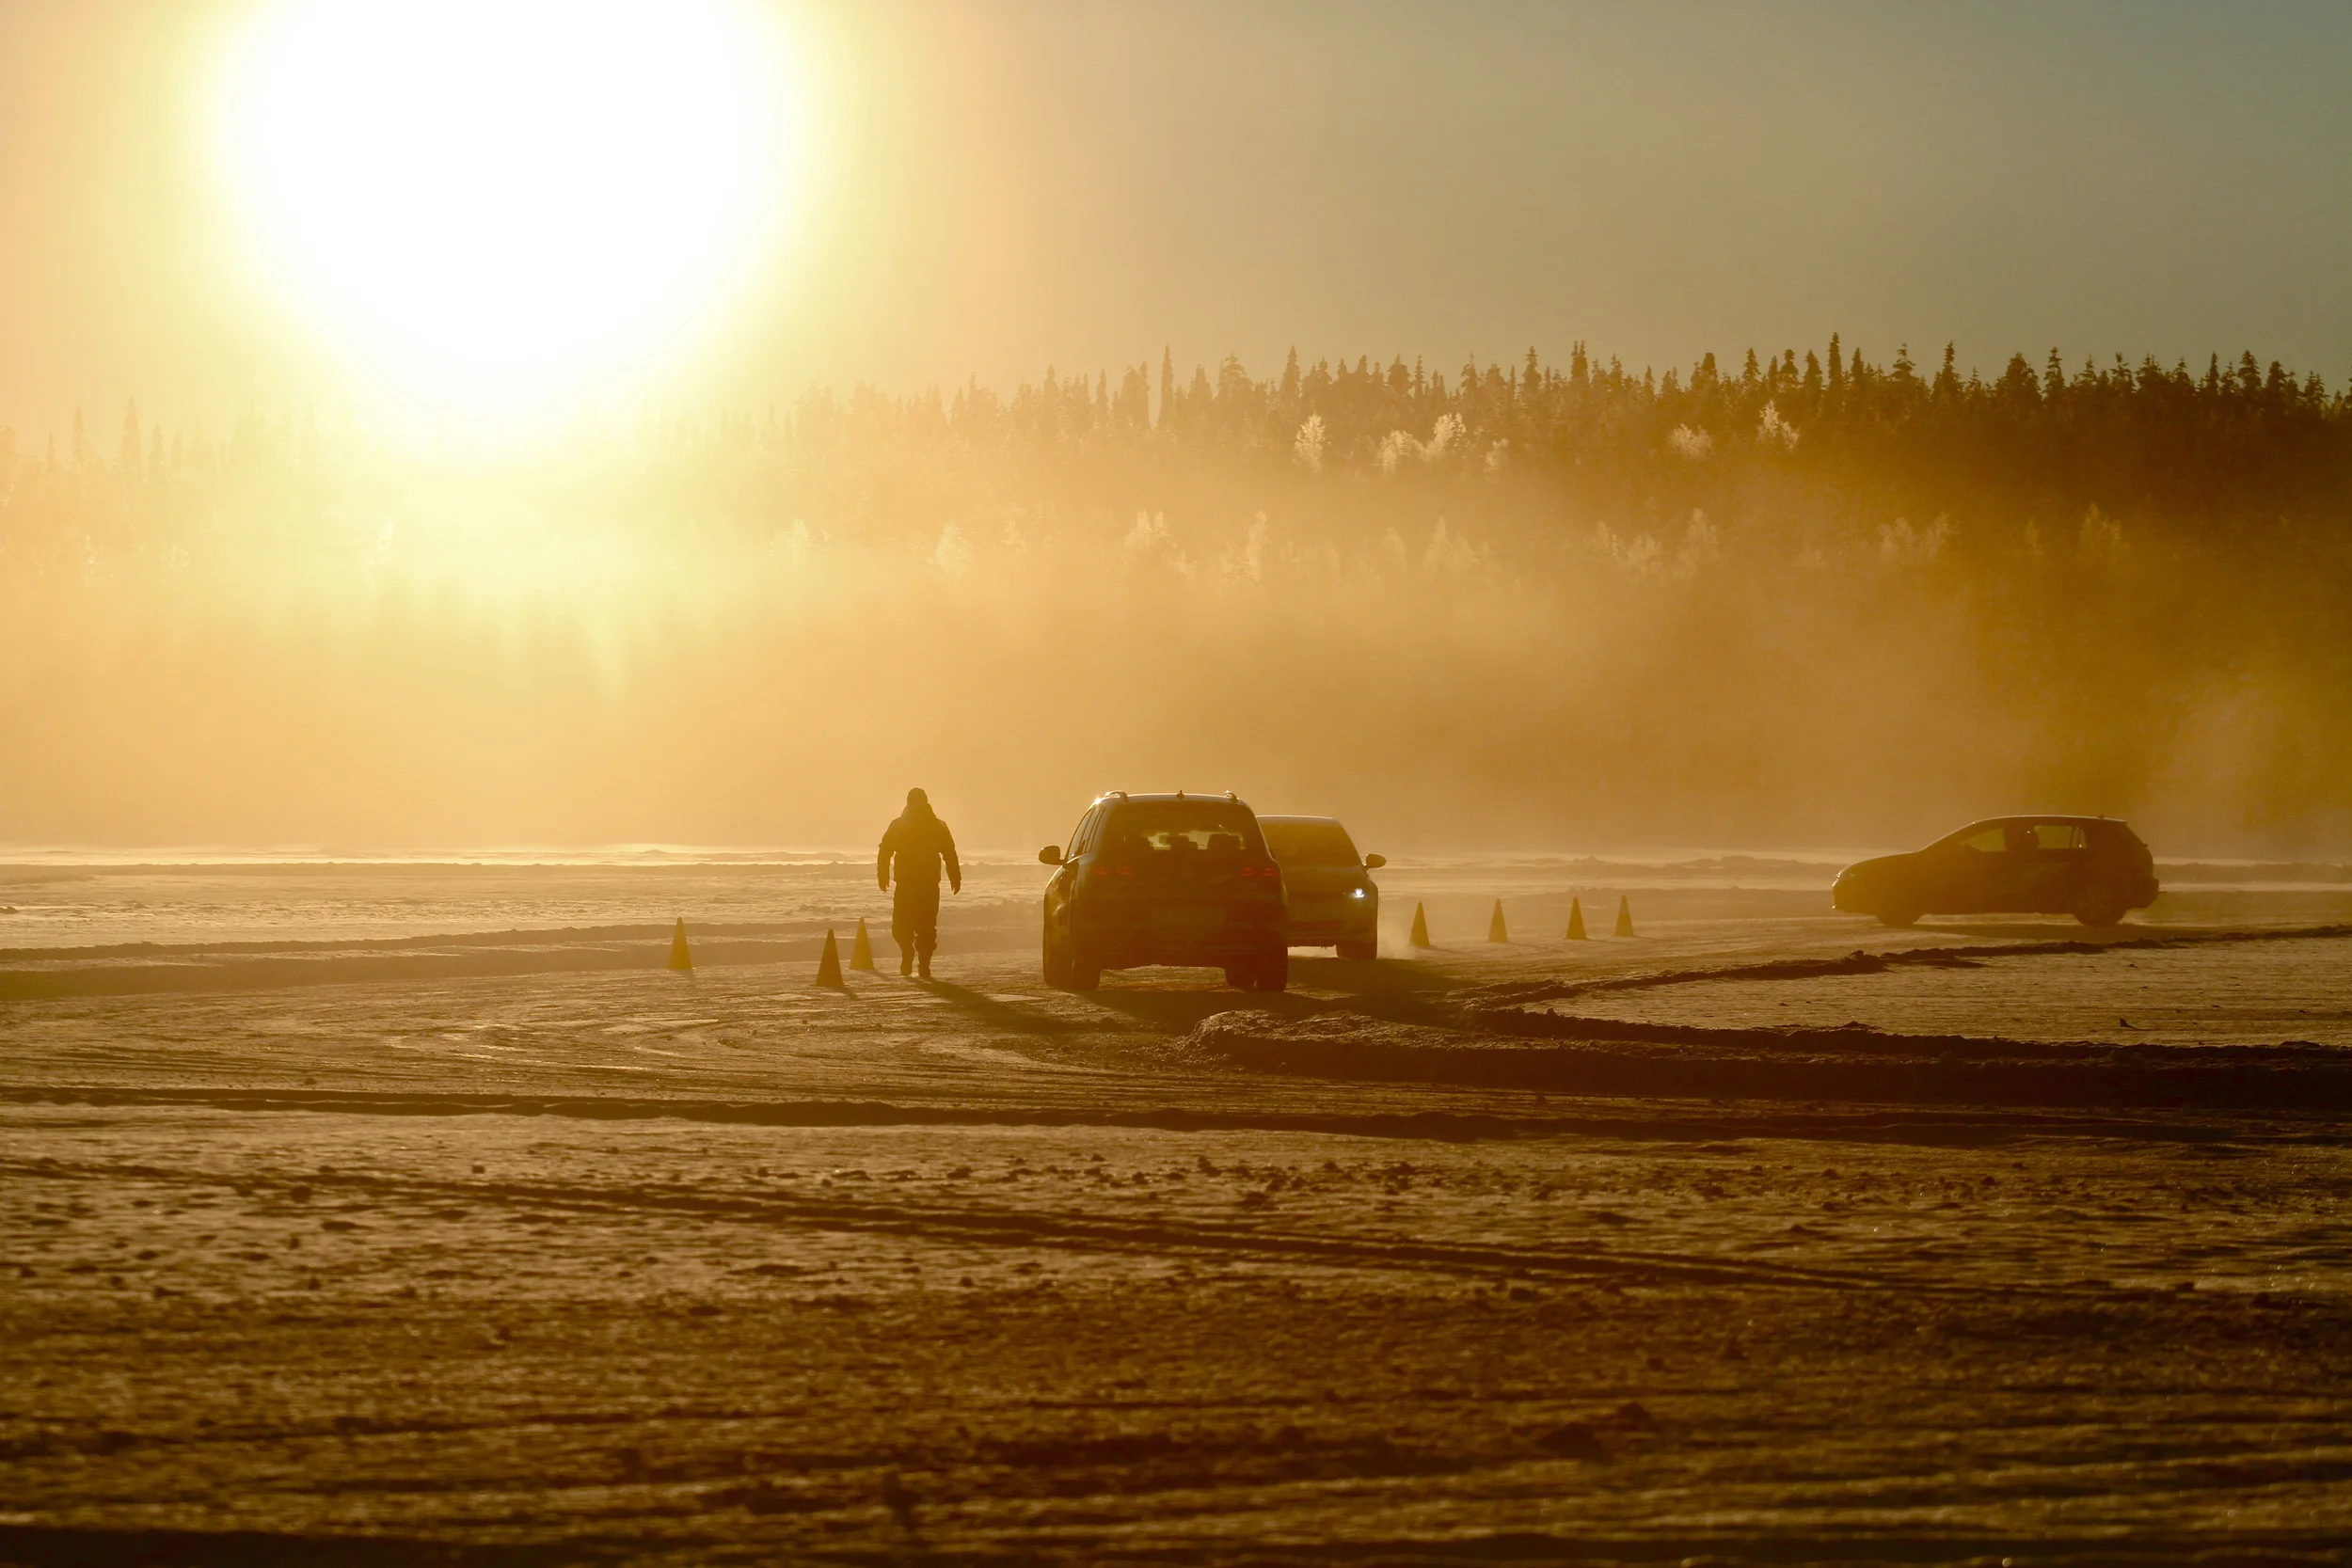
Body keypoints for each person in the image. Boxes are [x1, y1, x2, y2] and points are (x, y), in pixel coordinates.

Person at [877, 787, 961, 978]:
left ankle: (923, 965)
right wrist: (882, 875)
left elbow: (949, 852)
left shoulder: (937, 826)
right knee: (901, 927)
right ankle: (908, 952)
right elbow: (885, 850)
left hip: (927, 885)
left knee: (925, 927)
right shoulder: (899, 825)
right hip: (907, 884)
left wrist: (955, 877)